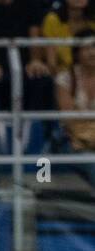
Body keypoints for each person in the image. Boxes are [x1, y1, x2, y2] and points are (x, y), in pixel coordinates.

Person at [54, 29, 95, 187]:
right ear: (77, 52)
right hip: (72, 142)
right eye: (87, 48)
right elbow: (71, 122)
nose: (92, 53)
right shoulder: (66, 79)